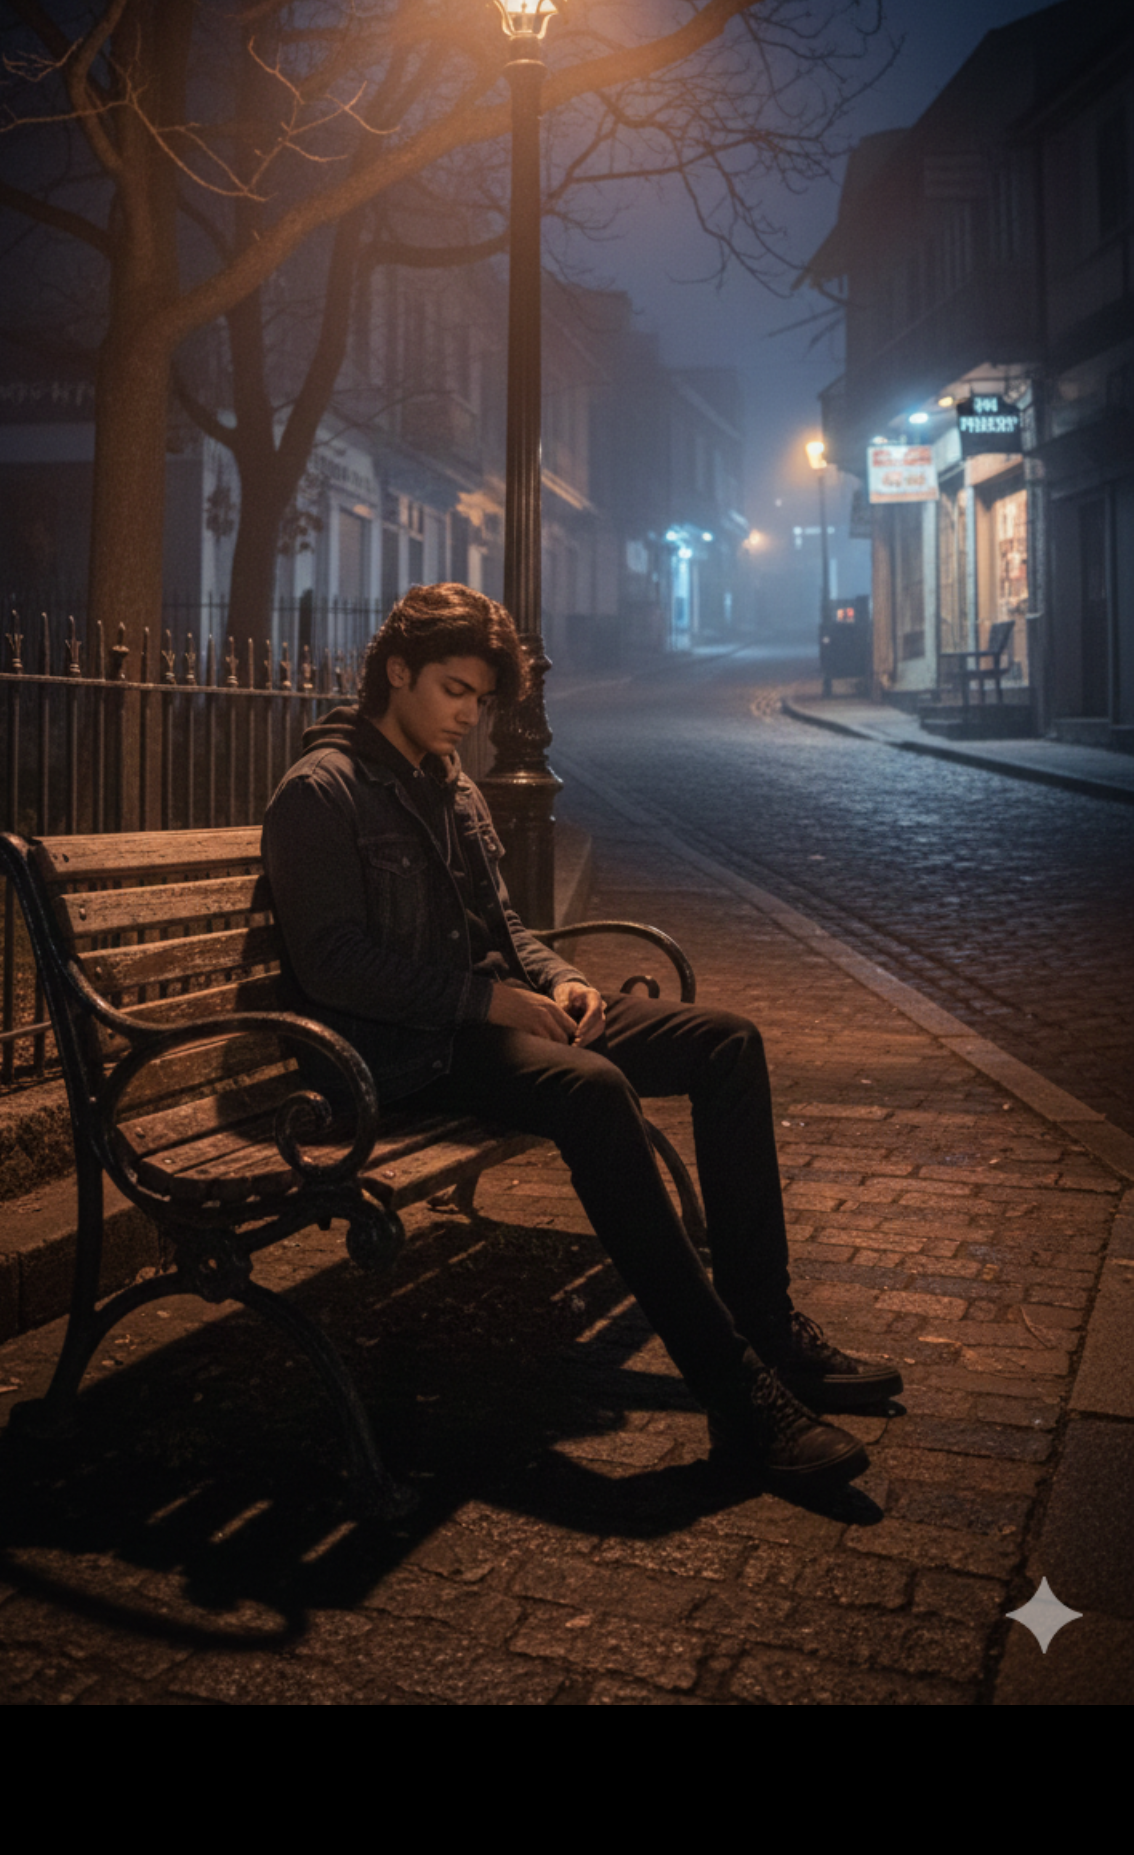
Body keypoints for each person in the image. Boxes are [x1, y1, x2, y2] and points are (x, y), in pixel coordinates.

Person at [262, 583, 902, 1494]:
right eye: (453, 690)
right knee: (591, 1090)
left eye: (481, 699)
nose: (468, 715)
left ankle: (767, 1329)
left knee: (726, 1042)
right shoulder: (320, 791)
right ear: (396, 672)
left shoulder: (450, 785)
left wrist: (560, 979)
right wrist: (488, 1005)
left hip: (486, 1018)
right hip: (402, 1054)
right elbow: (332, 966)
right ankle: (735, 1392)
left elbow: (507, 926)